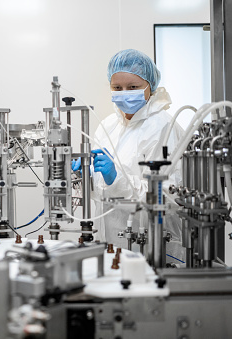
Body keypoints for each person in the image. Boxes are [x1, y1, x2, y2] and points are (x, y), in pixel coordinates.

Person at [73, 49, 184, 261]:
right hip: (110, 239)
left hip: (151, 242)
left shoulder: (163, 127)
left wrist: (117, 178)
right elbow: (102, 190)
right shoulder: (109, 125)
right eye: (117, 87)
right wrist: (84, 176)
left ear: (149, 87)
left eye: (133, 87)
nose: (124, 92)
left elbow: (169, 196)